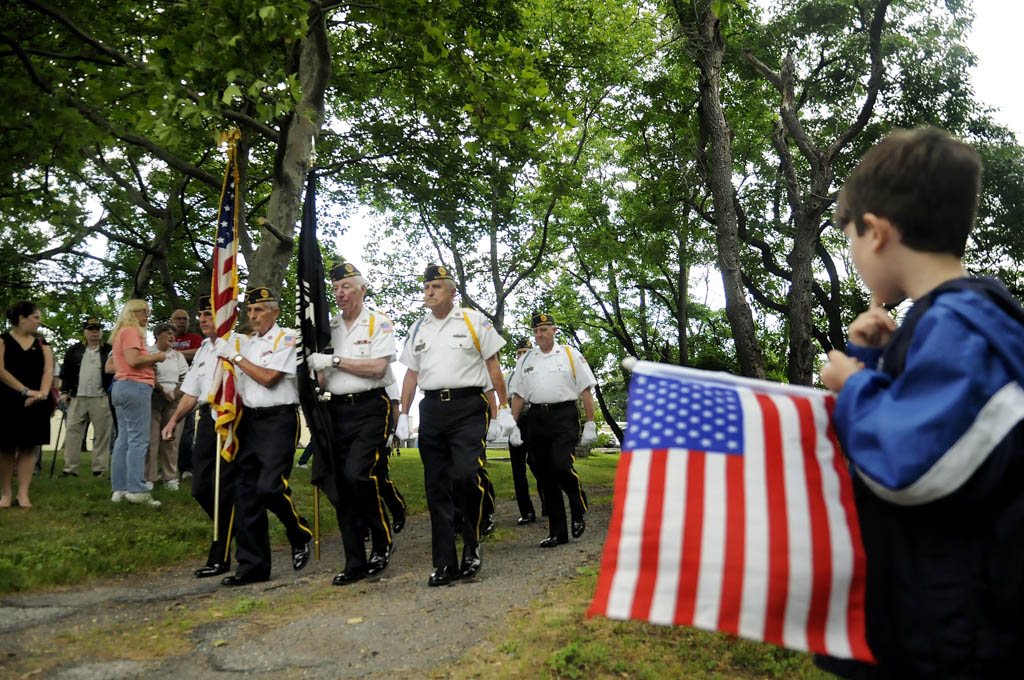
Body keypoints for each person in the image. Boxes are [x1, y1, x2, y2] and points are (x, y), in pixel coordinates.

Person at [817, 127, 1024, 678]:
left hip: (960, 628)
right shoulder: (945, 323)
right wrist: (867, 360)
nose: (854, 255)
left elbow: (920, 460)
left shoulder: (963, 325)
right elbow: (920, 407)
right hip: (934, 607)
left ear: (876, 232)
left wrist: (851, 384)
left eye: (849, 239)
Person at [395, 264, 514, 586]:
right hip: (432, 408)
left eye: (435, 286)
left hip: (468, 407)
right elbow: (411, 374)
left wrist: (502, 409)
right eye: (426, 287)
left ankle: (472, 544)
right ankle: (444, 562)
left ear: (451, 291)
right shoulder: (418, 327)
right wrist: (403, 414)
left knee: (465, 476)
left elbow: (493, 366)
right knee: (436, 487)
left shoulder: (474, 322)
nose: (428, 293)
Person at [213, 287, 313, 586]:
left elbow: (269, 378)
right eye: (250, 311)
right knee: (246, 495)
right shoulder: (248, 343)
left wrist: (236, 356)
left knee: (270, 487)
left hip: (278, 419)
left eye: (259, 310)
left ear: (275, 311)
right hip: (249, 422)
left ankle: (299, 532)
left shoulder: (288, 339)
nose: (253, 316)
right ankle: (252, 566)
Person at [308, 262, 398, 586]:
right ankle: (354, 560)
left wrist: (333, 360)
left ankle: (382, 536)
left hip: (371, 408)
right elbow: (322, 379)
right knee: (341, 486)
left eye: (345, 286)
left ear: (362, 288)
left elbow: (376, 368)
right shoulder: (328, 327)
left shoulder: (378, 323)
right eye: (334, 288)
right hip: (336, 413)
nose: (339, 293)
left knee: (359, 474)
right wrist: (314, 369)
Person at [161, 295, 236, 578]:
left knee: (224, 488)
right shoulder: (204, 348)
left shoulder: (236, 343)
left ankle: (220, 555)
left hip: (231, 419)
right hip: (206, 419)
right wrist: (173, 420)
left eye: (210, 313)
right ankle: (240, 529)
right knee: (201, 488)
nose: (204, 319)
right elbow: (191, 391)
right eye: (202, 314)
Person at [509, 312, 597, 548]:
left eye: (544, 330)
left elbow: (586, 390)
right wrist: (512, 424)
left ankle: (577, 503)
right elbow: (518, 395)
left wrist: (590, 422)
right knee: (542, 471)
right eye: (536, 331)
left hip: (564, 416)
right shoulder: (526, 360)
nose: (539, 335)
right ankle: (557, 532)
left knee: (560, 465)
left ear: (554, 330)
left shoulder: (569, 354)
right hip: (537, 417)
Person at [109, 299, 167, 507]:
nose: (148, 315)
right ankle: (137, 489)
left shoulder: (120, 333)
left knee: (123, 439)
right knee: (138, 440)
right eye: (145, 311)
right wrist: (157, 357)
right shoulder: (132, 331)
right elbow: (134, 361)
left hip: (121, 387)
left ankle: (120, 487)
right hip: (135, 387)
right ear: (133, 313)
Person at [0, 301, 54, 508]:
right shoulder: (3, 341)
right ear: (22, 319)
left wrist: (41, 393)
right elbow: (1, 371)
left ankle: (23, 494)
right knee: (6, 448)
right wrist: (25, 391)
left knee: (28, 447)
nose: (39, 322)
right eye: (36, 317)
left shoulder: (42, 344)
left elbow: (48, 371)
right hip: (8, 400)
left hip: (37, 401)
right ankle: (6, 494)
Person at [58, 317, 114, 478]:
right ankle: (70, 469)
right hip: (77, 397)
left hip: (101, 398)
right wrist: (64, 392)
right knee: (72, 432)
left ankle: (99, 469)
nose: (94, 332)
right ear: (85, 332)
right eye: (91, 329)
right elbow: (66, 373)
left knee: (102, 434)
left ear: (101, 332)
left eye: (97, 329)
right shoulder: (74, 350)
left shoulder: (108, 350)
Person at [505, 338, 543, 525]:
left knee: (538, 463)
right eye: (518, 352)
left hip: (535, 421)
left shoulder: (539, 372)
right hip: (517, 422)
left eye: (524, 352)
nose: (521, 355)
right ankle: (526, 512)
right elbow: (504, 401)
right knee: (518, 470)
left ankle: (548, 502)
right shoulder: (511, 377)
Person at [147, 323, 188, 489]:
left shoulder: (178, 356)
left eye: (173, 334)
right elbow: (147, 373)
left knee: (171, 440)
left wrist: (176, 393)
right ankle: (148, 477)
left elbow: (186, 378)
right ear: (158, 335)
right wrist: (161, 389)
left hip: (174, 400)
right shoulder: (148, 352)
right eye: (168, 333)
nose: (172, 337)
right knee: (151, 439)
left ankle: (170, 477)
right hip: (153, 397)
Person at [170, 308, 203, 479]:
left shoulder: (196, 339)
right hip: (165, 388)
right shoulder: (165, 338)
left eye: (185, 319)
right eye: (178, 319)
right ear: (171, 320)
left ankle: (186, 468)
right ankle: (166, 469)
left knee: (186, 430)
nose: (182, 322)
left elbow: (198, 353)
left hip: (187, 389)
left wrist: (173, 354)